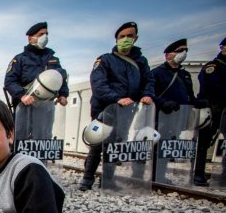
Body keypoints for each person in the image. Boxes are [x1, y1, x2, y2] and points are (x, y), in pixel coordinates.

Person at [79, 21, 154, 191]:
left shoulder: (141, 62)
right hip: (104, 110)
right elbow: (98, 84)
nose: (126, 39)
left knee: (115, 145)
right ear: (116, 39)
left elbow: (149, 81)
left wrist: (148, 94)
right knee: (97, 143)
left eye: (130, 36)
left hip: (127, 111)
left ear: (136, 38)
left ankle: (108, 180)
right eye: (122, 36)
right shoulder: (105, 59)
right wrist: (117, 98)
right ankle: (87, 178)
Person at [151, 39, 202, 181]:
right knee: (157, 146)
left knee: (168, 146)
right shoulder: (157, 73)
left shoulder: (184, 75)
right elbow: (150, 94)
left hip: (178, 117)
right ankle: (153, 175)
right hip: (160, 117)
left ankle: (159, 176)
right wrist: (163, 103)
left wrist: (199, 102)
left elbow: (189, 97)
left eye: (185, 51)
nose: (183, 54)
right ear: (167, 55)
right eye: (179, 51)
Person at [4, 21, 68, 109]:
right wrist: (22, 95)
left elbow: (60, 79)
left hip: (46, 107)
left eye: (46, 34)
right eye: (41, 34)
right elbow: (10, 82)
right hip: (24, 107)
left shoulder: (53, 60)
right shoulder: (19, 59)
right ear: (30, 38)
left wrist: (63, 95)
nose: (44, 37)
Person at [195, 37, 226, 187]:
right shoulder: (213, 66)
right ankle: (198, 173)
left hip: (223, 110)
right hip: (212, 108)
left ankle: (223, 175)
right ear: (222, 48)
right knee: (204, 142)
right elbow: (213, 88)